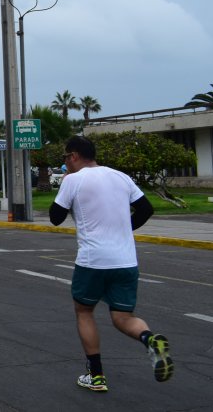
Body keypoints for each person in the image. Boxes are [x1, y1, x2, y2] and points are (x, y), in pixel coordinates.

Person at [49, 135, 172, 393]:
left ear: (73, 156)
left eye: (65, 158)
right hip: (126, 260)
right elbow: (146, 209)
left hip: (93, 260)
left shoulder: (73, 179)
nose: (65, 163)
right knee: (123, 316)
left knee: (84, 312)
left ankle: (96, 376)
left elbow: (55, 218)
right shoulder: (121, 177)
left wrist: (65, 189)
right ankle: (150, 339)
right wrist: (125, 229)